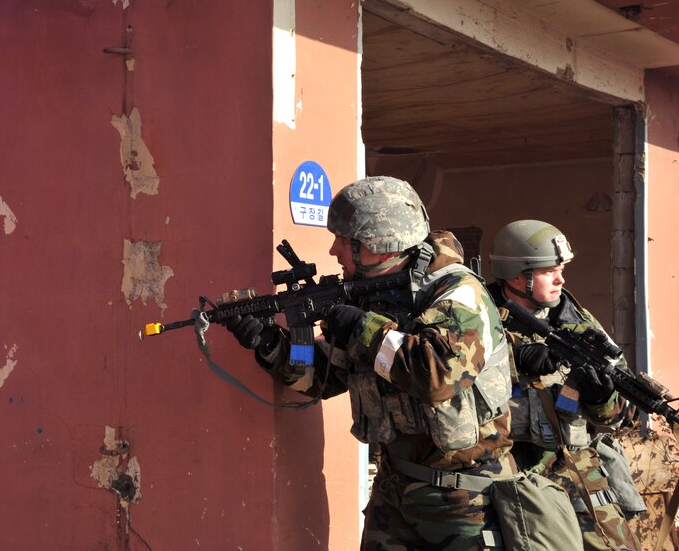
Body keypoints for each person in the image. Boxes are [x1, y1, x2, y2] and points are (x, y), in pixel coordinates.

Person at [225, 176, 517, 550]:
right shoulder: (366, 294)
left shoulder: (457, 292)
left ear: (379, 245)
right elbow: (322, 377)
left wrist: (361, 327)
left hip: (464, 499)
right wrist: (269, 343)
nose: (333, 250)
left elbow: (438, 376)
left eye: (344, 240)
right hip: (394, 492)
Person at [487, 219, 644, 551]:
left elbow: (622, 414)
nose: (561, 279)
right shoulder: (479, 319)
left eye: (560, 270)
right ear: (516, 276)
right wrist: (513, 360)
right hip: (515, 476)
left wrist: (602, 399)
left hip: (580, 469)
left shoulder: (576, 321)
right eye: (549, 272)